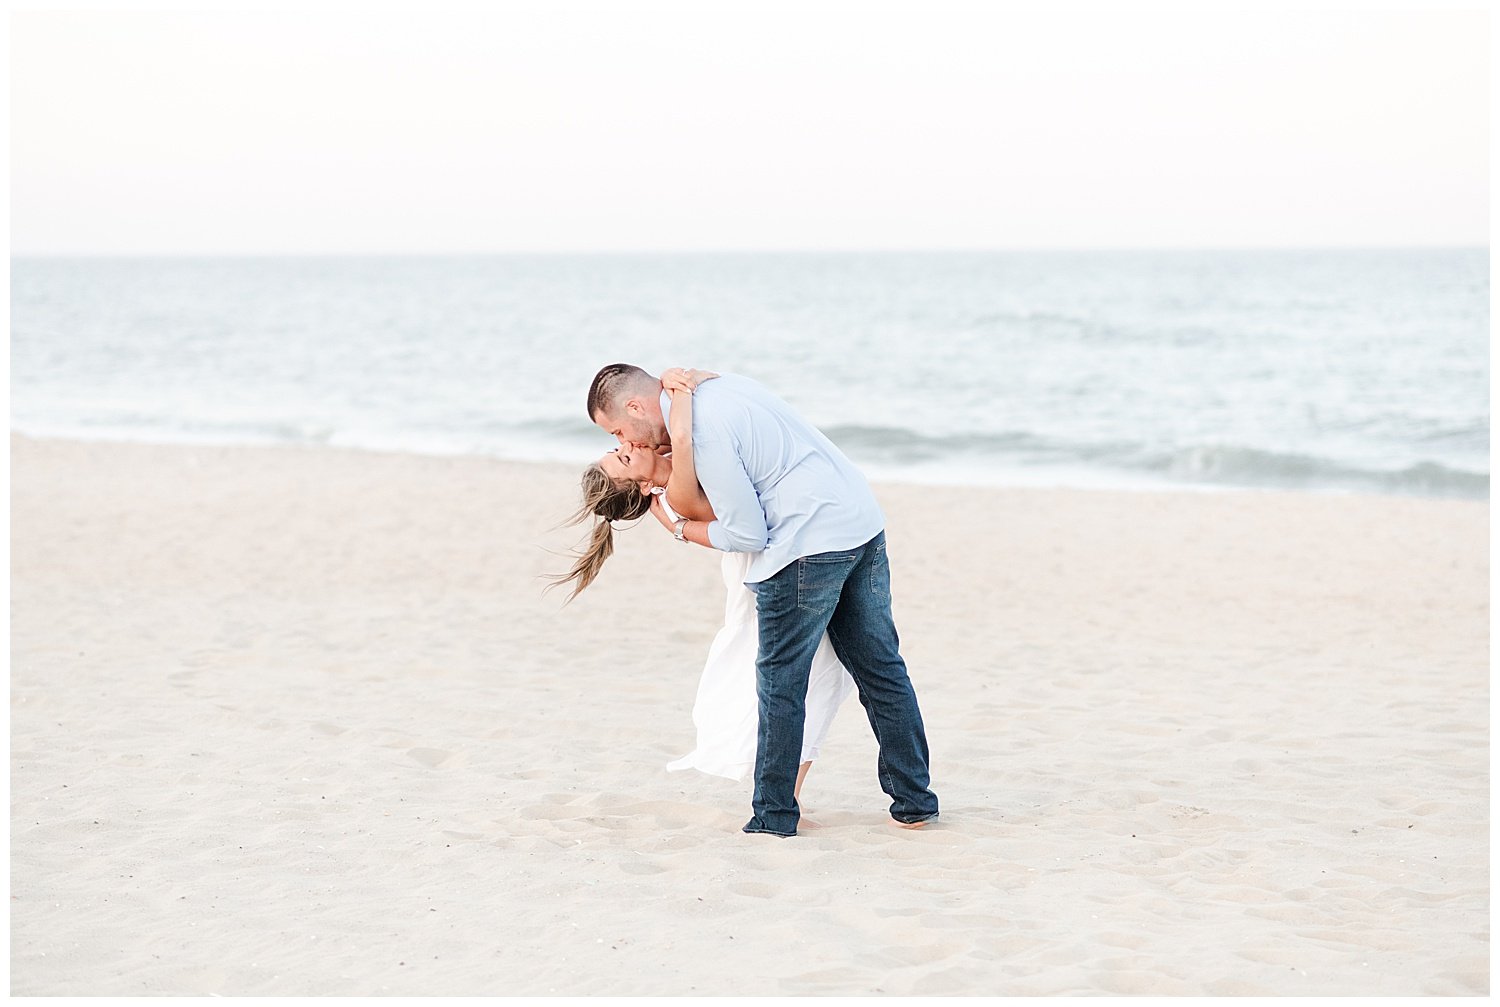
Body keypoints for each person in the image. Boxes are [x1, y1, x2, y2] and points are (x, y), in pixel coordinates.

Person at [584, 363, 939, 837]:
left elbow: (747, 532)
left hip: (807, 546)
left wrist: (679, 530)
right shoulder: (718, 386)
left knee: (781, 684)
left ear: (634, 406)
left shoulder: (699, 434)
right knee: (881, 669)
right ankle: (915, 802)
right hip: (859, 522)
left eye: (618, 431)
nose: (626, 441)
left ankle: (774, 816)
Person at [552, 369, 855, 808]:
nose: (624, 444)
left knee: (815, 676)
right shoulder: (676, 491)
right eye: (620, 454)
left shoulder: (668, 472)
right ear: (639, 484)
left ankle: (785, 789)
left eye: (616, 442)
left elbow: (684, 440)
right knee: (805, 678)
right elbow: (690, 438)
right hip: (767, 566)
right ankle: (782, 791)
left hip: (776, 557)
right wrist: (680, 390)